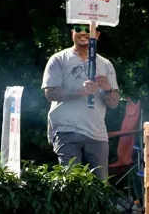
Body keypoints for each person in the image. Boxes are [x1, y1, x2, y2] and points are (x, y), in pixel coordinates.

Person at [42, 24, 120, 180]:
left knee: (100, 187)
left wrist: (108, 89)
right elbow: (50, 93)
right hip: (67, 130)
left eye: (88, 29)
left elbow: (114, 103)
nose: (83, 32)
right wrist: (79, 92)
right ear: (72, 33)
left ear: (96, 35)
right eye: (78, 29)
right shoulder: (59, 59)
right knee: (71, 184)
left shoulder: (105, 64)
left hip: (97, 133)